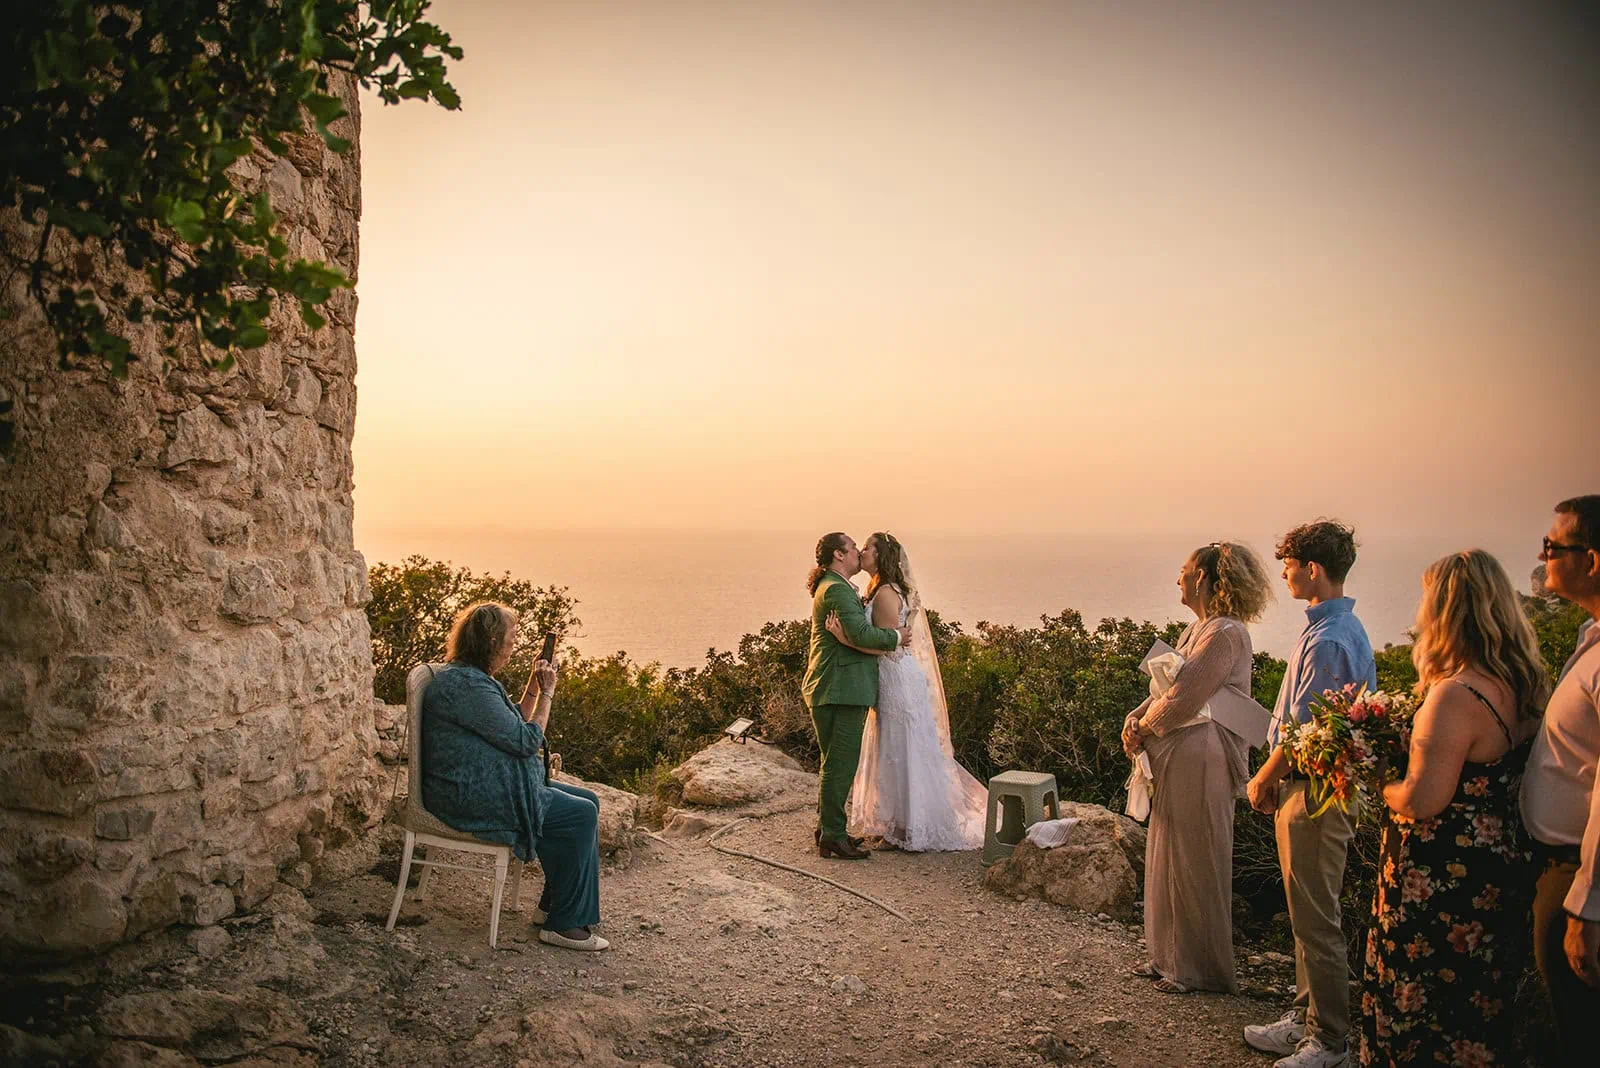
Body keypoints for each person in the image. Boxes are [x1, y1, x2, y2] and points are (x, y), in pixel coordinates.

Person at [1359, 551, 1547, 1066]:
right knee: (1476, 1012)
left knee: (1421, 1012)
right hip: (1495, 877)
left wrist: (1381, 783)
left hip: (1438, 887)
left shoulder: (1454, 695)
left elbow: (1424, 799)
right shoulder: (1522, 684)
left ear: (1445, 612)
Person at [1245, 520, 1377, 1068]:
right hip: (1308, 787)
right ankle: (1306, 1020)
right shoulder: (1330, 629)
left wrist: (1263, 777)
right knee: (1304, 913)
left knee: (1317, 918)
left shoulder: (1329, 640)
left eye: (1290, 564)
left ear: (1313, 569)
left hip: (1317, 792)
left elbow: (1307, 730)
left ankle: (1330, 1042)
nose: (1284, 573)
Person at [1120, 541, 1274, 994]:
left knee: (1197, 857)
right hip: (1179, 750)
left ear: (1204, 579)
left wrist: (1144, 729)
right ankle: (1166, 956)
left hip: (1202, 753)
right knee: (1169, 852)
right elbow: (1164, 688)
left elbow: (1186, 696)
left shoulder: (1224, 634)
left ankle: (1199, 968)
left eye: (1185, 570)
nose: (1179, 578)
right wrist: (1135, 719)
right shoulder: (1198, 630)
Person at [420, 601, 608, 951]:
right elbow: (526, 740)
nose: (514, 645)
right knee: (581, 814)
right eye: (511, 638)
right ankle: (564, 927)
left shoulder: (471, 679)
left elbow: (516, 718)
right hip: (466, 796)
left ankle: (553, 907)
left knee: (588, 800)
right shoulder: (469, 688)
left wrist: (535, 685)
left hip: (474, 783)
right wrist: (550, 693)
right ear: (491, 641)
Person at [822, 532, 987, 851]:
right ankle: (902, 824)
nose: (862, 551)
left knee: (901, 749)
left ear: (880, 556)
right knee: (899, 747)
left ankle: (906, 827)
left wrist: (843, 639)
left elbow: (884, 646)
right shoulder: (878, 588)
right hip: (894, 677)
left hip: (896, 677)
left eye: (867, 547)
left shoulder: (884, 593)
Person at [1520, 494, 1600, 1063]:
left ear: (1591, 560)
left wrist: (1588, 906)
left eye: (1553, 546)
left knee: (1581, 1034)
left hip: (1579, 873)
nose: (1543, 555)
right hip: (1561, 867)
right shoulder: (1589, 639)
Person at [803, 533, 911, 859]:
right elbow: (861, 634)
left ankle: (828, 829)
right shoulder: (836, 589)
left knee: (833, 762)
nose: (857, 552)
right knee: (841, 763)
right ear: (839, 555)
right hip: (841, 688)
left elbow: (853, 634)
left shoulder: (836, 587)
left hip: (836, 687)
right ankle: (834, 836)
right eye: (852, 548)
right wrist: (897, 636)